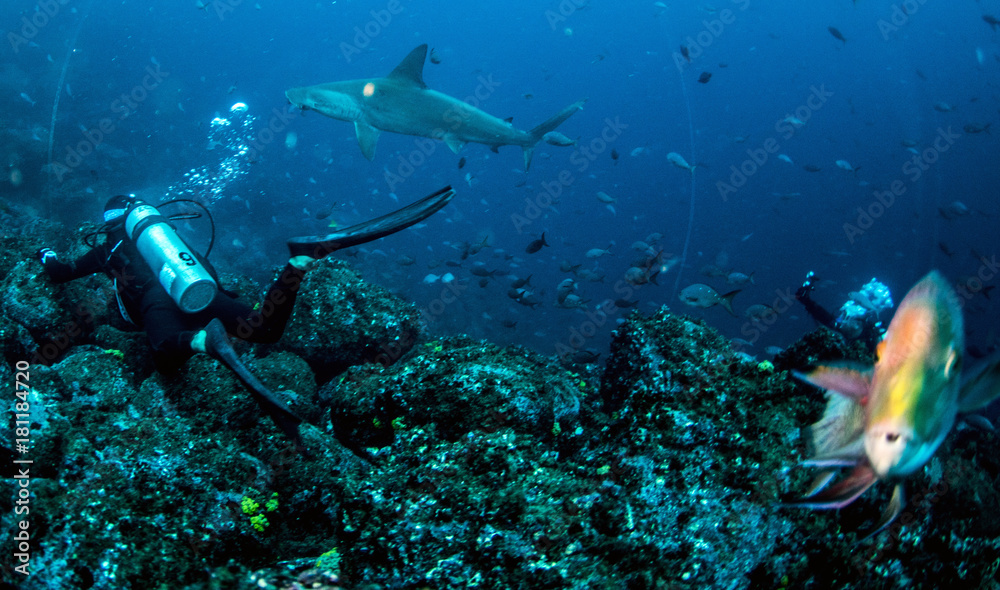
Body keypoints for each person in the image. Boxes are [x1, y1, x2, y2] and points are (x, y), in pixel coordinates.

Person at [38, 186, 455, 447]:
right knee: (264, 329)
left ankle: (207, 342)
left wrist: (46, 255)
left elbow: (60, 275)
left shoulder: (109, 247)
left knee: (165, 352)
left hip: (159, 301)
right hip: (205, 290)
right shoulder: (167, 233)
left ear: (110, 225)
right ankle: (299, 263)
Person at [795, 272, 892, 353]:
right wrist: (806, 301)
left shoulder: (873, 338)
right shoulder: (842, 328)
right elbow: (825, 317)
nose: (845, 322)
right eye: (845, 318)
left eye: (851, 320)